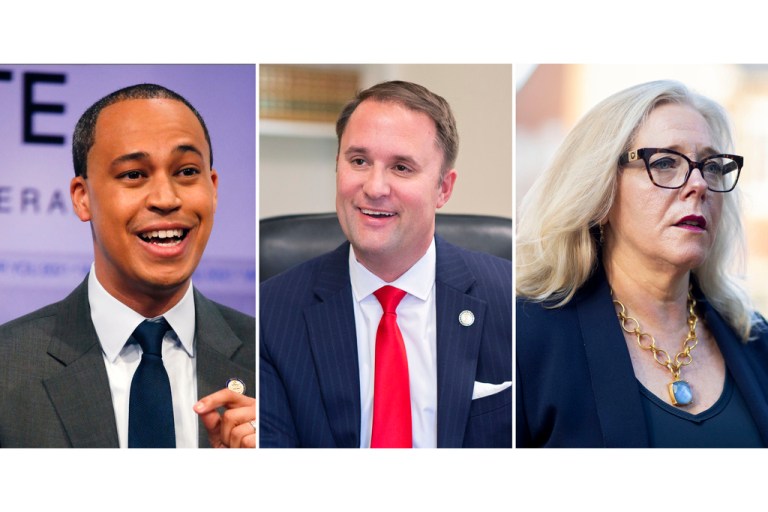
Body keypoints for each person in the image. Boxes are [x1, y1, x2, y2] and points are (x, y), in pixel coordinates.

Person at [0, 84, 255, 448]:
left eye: (186, 171)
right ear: (82, 197)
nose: (166, 198)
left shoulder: (271, 358)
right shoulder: (8, 366)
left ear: (212, 188)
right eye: (134, 175)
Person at [516, 79, 768, 447]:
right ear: (601, 192)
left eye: (712, 166)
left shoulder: (755, 339)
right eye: (666, 162)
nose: (698, 184)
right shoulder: (525, 338)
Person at [259, 80, 512, 448]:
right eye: (359, 161)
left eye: (401, 167)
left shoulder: (511, 299)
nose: (375, 187)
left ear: (443, 188)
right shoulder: (273, 313)